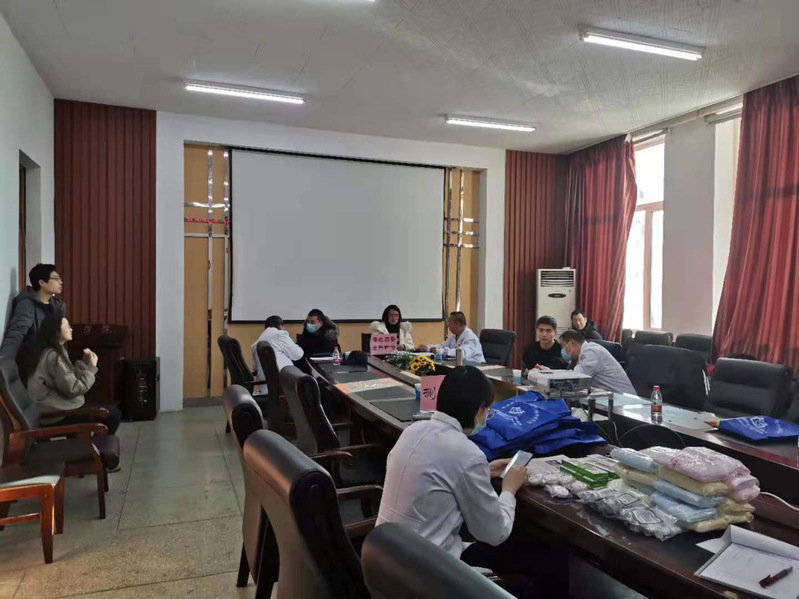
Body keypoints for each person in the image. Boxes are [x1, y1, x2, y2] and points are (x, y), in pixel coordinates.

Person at [376, 366, 543, 597]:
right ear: (479, 410)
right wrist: (509, 490)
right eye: (488, 410)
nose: (487, 416)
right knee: (540, 560)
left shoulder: (413, 430)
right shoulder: (467, 453)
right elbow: (494, 534)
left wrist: (483, 470)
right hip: (429, 576)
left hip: (387, 559)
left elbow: (439, 472)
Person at [27, 316, 122, 437]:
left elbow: (68, 377)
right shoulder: (53, 356)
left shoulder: (53, 351)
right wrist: (91, 367)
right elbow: (74, 388)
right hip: (55, 415)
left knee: (106, 411)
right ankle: (96, 447)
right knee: (113, 415)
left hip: (57, 408)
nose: (71, 329)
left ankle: (89, 445)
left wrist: (85, 364)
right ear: (56, 330)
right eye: (67, 326)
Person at [0, 264, 66, 383]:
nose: (61, 282)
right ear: (42, 282)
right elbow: (15, 334)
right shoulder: (27, 304)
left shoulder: (58, 306)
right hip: (34, 367)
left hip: (53, 363)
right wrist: (4, 362)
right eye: (56, 279)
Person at [559, 330, 636, 395]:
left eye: (563, 346)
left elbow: (574, 379)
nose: (563, 351)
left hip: (623, 400)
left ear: (572, 343)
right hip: (610, 397)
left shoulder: (591, 352)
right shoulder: (586, 351)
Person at [251, 315, 304, 394]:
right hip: (284, 384)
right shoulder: (280, 334)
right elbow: (297, 354)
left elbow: (255, 368)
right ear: (280, 326)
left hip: (266, 387)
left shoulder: (256, 344)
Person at [420, 311, 485, 363]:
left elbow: (462, 354)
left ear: (457, 324)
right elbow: (443, 345)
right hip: (462, 366)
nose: (448, 326)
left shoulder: (471, 338)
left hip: (477, 368)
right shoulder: (455, 335)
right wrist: (428, 348)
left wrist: (440, 351)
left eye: (449, 323)